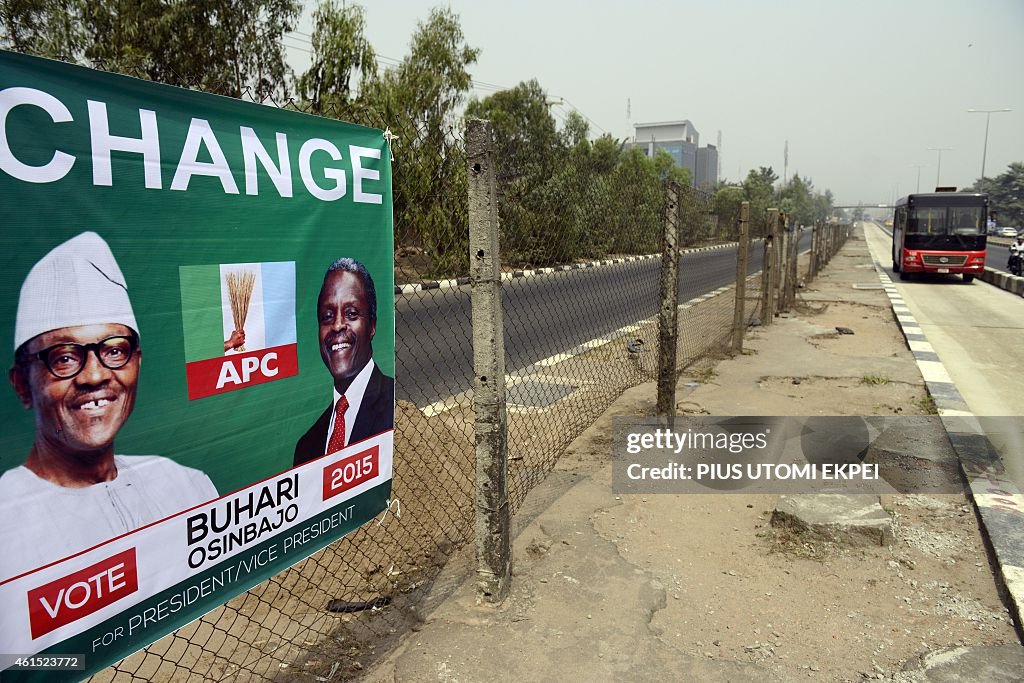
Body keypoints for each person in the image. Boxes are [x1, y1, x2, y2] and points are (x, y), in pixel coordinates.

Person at [0, 232, 218, 582]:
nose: (95, 375)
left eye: (114, 350)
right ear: (23, 385)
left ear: (137, 363)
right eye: (65, 357)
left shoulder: (185, 485)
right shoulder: (8, 526)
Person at [293, 258, 394, 467]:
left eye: (351, 314)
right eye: (327, 316)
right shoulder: (306, 448)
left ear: (372, 325)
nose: (337, 325)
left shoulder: (395, 409)